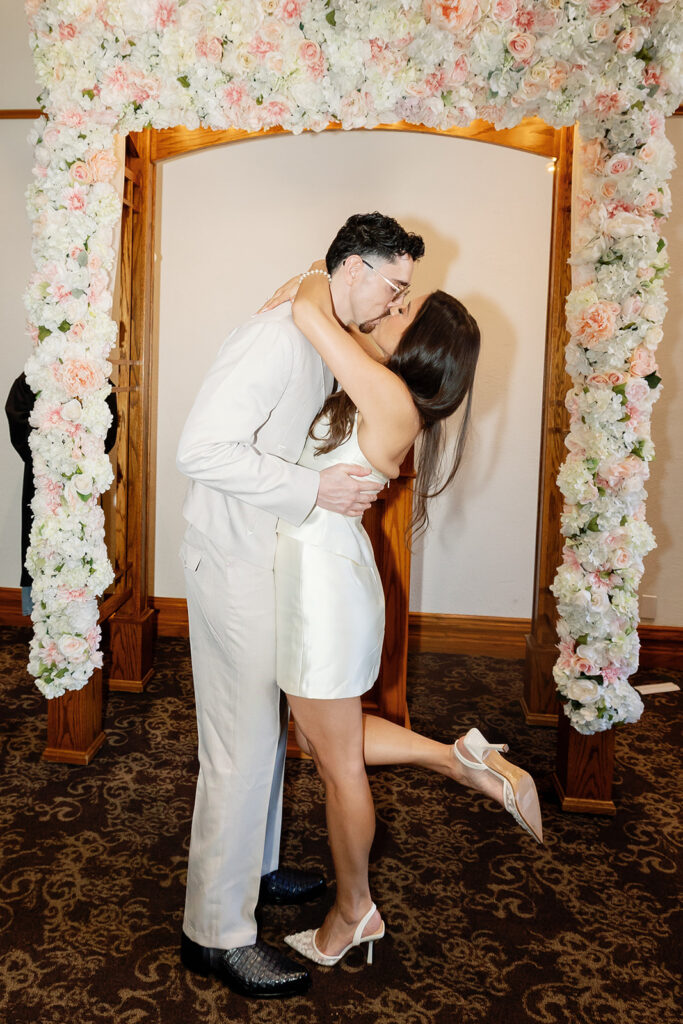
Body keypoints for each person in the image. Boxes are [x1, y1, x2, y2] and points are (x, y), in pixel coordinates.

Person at [258, 263, 543, 968]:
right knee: (322, 734)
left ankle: (353, 909)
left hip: (323, 587)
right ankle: (461, 761)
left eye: (404, 307)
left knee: (335, 765)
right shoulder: (375, 391)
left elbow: (305, 304)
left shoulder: (388, 396)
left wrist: (337, 272)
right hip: (322, 576)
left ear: (422, 345)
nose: (391, 305)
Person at [175, 213, 426, 998]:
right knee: (241, 745)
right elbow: (200, 450)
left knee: (267, 737)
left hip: (266, 554)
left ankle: (252, 867)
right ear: (352, 267)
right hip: (234, 558)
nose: (393, 306)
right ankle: (214, 935)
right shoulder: (278, 334)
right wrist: (310, 490)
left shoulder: (315, 322)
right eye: (392, 287)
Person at [5, 372, 118, 616]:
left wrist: (78, 446)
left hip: (82, 477)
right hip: (43, 478)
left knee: (83, 542)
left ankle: (82, 612)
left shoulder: (96, 377)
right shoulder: (33, 376)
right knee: (43, 540)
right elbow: (17, 415)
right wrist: (52, 446)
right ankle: (43, 614)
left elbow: (107, 425)